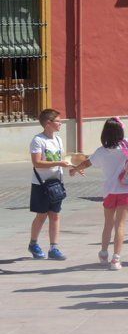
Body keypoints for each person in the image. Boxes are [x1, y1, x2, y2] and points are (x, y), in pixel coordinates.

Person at [70, 106, 128, 270]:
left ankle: (104, 253)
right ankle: (116, 259)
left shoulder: (101, 151)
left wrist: (75, 169)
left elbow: (87, 163)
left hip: (109, 192)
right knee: (120, 225)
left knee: (108, 224)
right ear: (120, 132)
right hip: (126, 190)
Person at [28, 109, 72, 260]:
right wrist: (59, 162)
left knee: (55, 216)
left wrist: (73, 168)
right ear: (48, 123)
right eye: (58, 121)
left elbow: (62, 160)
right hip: (41, 184)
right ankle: (33, 243)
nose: (61, 123)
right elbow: (37, 162)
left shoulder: (58, 140)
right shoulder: (38, 140)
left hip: (56, 183)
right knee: (41, 216)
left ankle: (54, 248)